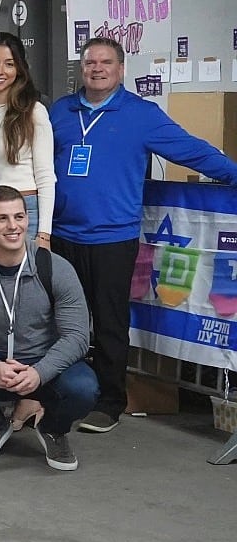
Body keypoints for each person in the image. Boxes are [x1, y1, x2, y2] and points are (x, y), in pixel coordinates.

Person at [49, 36, 237, 434]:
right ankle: (57, 394)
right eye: (90, 62)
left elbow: (191, 150)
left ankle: (110, 401)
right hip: (61, 235)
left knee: (110, 323)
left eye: (105, 62)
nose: (96, 69)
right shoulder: (60, 112)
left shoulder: (140, 114)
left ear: (121, 70)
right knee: (60, 321)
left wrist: (233, 174)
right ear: (81, 69)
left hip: (112, 240)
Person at [0, 186, 97, 469]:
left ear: (28, 219)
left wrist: (40, 372)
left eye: (19, 217)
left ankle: (53, 428)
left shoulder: (56, 268)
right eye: (2, 218)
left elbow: (77, 336)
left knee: (84, 387)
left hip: (45, 368)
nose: (13, 226)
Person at [0, 31, 54, 251]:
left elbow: (45, 176)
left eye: (9, 64)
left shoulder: (34, 111)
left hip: (23, 212)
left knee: (23, 282)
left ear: (20, 69)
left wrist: (44, 234)